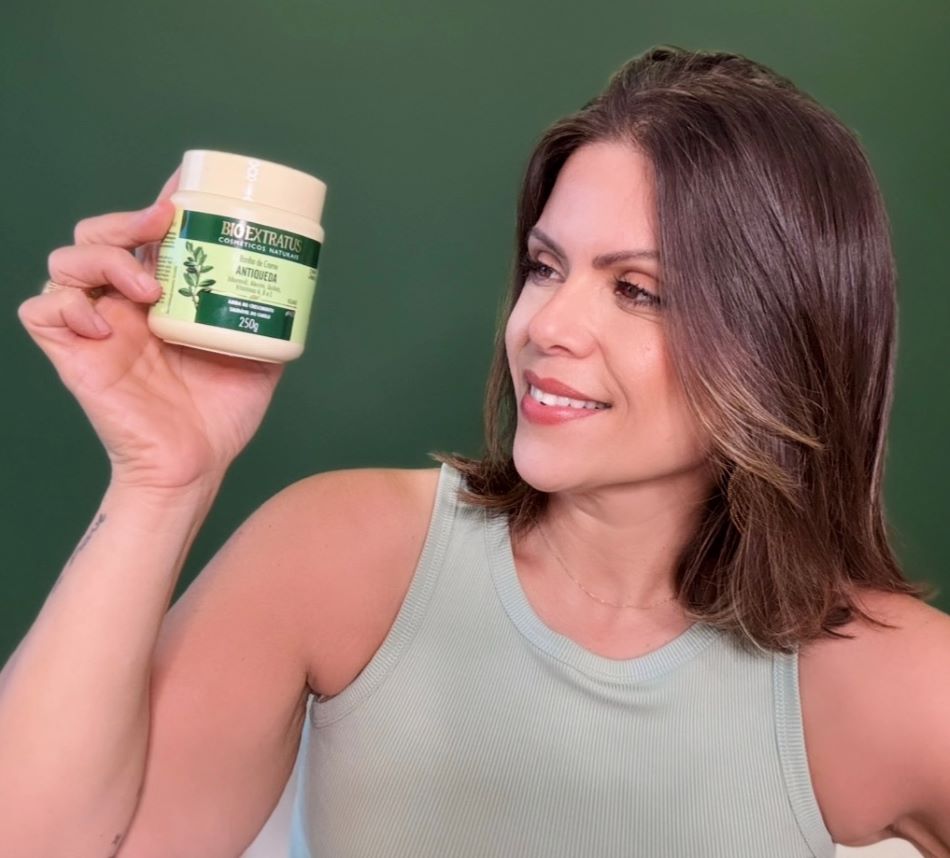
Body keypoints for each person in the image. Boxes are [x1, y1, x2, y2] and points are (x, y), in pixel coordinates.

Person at [2, 45, 948, 858]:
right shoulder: (343, 556)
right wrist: (160, 482)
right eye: (546, 266)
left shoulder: (896, 681)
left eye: (638, 291)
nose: (546, 325)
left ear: (780, 339)